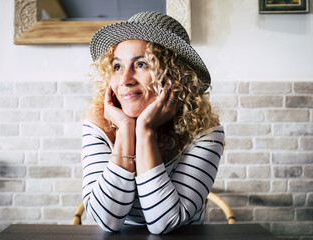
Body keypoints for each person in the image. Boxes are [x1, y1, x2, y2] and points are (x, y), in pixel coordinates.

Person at [81, 11, 224, 234]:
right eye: (117, 66)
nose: (125, 80)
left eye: (141, 64)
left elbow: (165, 223)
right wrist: (126, 131)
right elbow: (106, 221)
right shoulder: (99, 123)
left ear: (174, 75)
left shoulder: (205, 132)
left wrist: (145, 129)